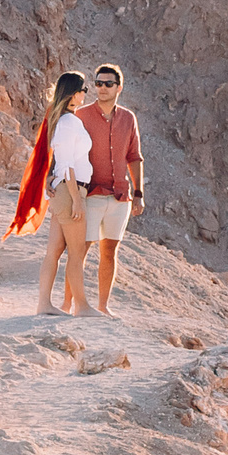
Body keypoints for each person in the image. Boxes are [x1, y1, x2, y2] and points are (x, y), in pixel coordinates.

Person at [4, 71, 94, 315]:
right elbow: (67, 164)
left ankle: (44, 304)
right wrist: (76, 200)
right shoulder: (68, 122)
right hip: (71, 191)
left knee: (54, 252)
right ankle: (82, 306)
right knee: (76, 252)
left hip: (63, 190)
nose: (85, 94)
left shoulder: (63, 120)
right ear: (73, 94)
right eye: (83, 90)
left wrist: (51, 179)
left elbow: (58, 160)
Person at [76, 62, 145, 315]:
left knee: (109, 252)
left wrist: (138, 193)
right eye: (98, 83)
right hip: (91, 194)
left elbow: (134, 157)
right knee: (81, 250)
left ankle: (103, 306)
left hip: (119, 196)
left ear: (119, 87)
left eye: (108, 84)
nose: (102, 88)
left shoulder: (128, 118)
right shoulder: (81, 115)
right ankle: (73, 304)